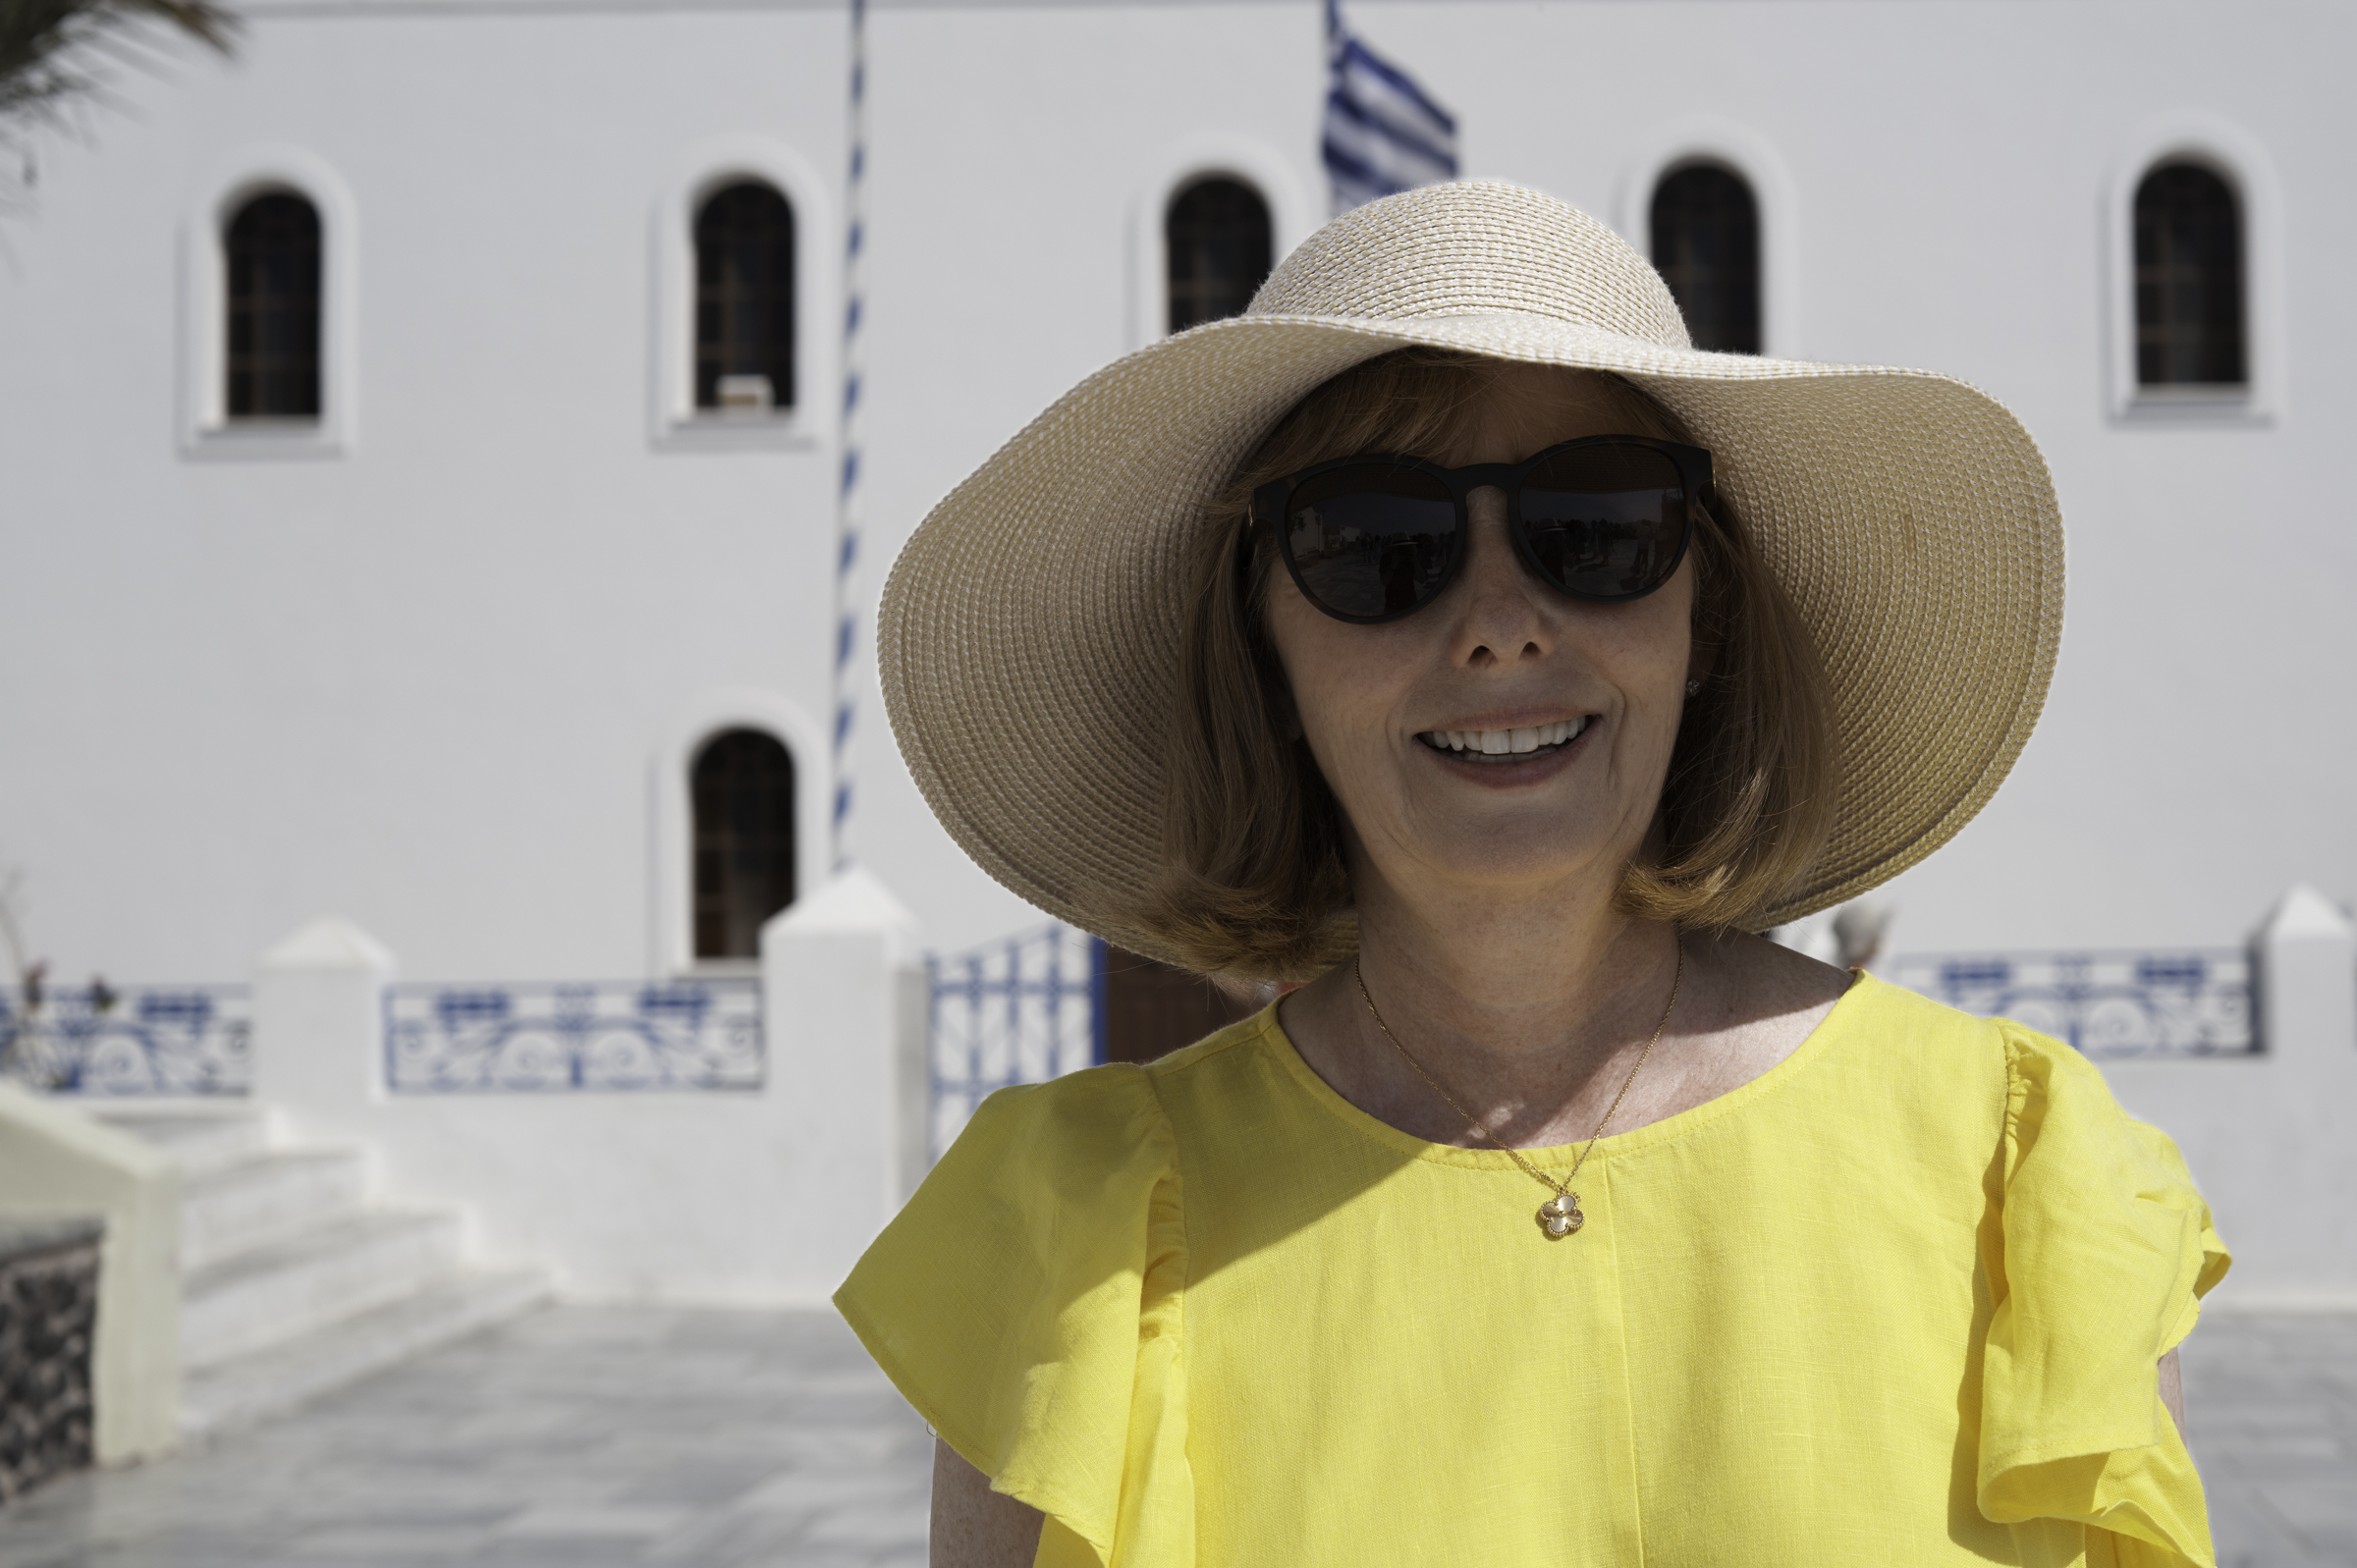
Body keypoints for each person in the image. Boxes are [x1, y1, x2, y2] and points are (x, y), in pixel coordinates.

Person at [839, 182, 2226, 1567]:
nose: (1500, 622)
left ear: (1707, 608)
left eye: (1599, 524)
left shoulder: (2015, 1181)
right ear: (1258, 636)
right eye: (1377, 544)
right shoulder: (1089, 1255)